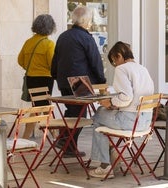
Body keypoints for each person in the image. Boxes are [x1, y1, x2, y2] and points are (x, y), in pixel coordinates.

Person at [89, 41, 154, 178]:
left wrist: (110, 103)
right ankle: (114, 160)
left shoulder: (122, 69)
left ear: (119, 56)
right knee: (103, 118)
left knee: (98, 117)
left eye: (114, 61)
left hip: (130, 121)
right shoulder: (143, 68)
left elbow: (126, 98)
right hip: (145, 122)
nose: (115, 65)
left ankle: (105, 166)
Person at [51, 5, 106, 157]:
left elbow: (55, 60)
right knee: (80, 115)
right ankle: (64, 140)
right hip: (79, 81)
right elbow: (95, 61)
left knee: (72, 111)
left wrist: (56, 76)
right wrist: (101, 80)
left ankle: (68, 146)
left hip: (64, 80)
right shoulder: (85, 37)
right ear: (86, 21)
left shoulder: (63, 36)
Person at [18, 14, 56, 139]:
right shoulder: (49, 44)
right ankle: (24, 138)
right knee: (39, 108)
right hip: (45, 79)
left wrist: (31, 68)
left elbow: (20, 60)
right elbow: (53, 64)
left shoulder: (28, 42)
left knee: (41, 107)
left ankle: (54, 134)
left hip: (31, 78)